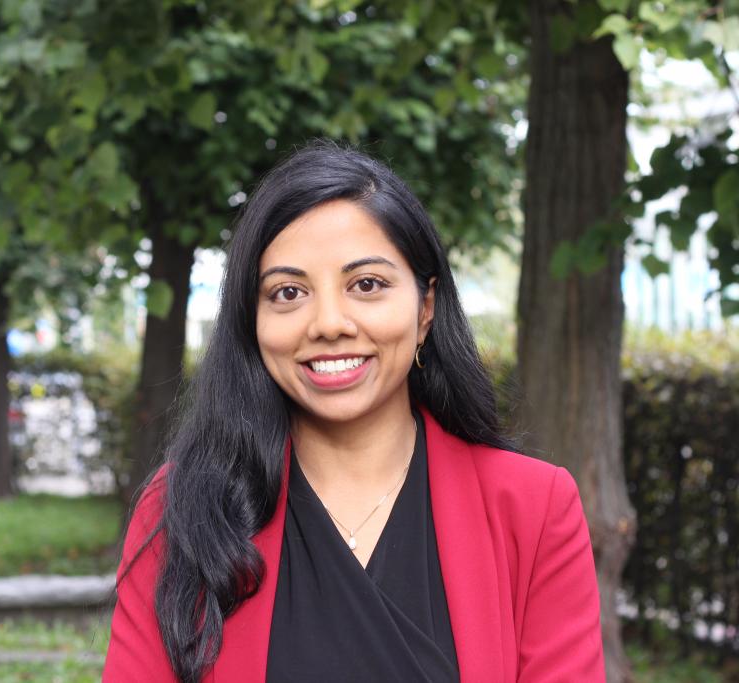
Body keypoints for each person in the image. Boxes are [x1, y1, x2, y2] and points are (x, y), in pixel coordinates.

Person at [103, 143, 605, 682]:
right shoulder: (182, 509)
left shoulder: (532, 507)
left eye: (366, 285)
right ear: (253, 320)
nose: (329, 323)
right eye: (288, 292)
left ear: (426, 308)